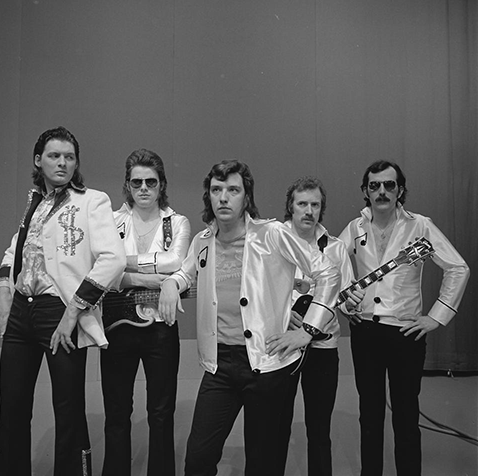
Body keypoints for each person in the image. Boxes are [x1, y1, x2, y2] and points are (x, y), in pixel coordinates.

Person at [159, 159, 341, 476]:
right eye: (216, 190)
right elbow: (185, 273)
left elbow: (328, 273)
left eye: (233, 190)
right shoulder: (203, 241)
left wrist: (308, 330)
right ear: (208, 196)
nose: (223, 197)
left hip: (266, 365)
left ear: (246, 197)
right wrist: (171, 284)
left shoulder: (272, 234)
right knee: (198, 460)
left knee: (263, 463)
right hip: (219, 366)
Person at [0, 126, 126, 476]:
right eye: (54, 156)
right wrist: (3, 289)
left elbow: (114, 259)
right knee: (12, 406)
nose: (62, 163)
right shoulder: (35, 201)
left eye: (69, 157)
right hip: (21, 310)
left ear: (76, 163)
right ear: (39, 160)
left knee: (68, 409)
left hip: (60, 310)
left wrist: (74, 311)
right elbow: (15, 250)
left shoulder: (92, 200)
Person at [338, 159, 470, 476]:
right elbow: (332, 270)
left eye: (389, 185)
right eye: (374, 186)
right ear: (366, 191)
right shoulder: (355, 228)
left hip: (406, 335)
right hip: (365, 333)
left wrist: (436, 317)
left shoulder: (420, 226)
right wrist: (346, 303)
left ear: (400, 190)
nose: (382, 191)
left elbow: (457, 267)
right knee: (369, 415)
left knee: (406, 415)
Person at [100, 149, 191, 476]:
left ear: (161, 184)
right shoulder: (111, 221)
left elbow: (175, 262)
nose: (143, 188)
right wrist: (148, 279)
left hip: (161, 328)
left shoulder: (177, 222)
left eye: (150, 182)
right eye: (136, 182)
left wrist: (122, 266)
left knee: (161, 414)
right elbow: (101, 272)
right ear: (127, 184)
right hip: (116, 326)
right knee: (116, 414)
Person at [274, 176, 364, 476]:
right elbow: (259, 292)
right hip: (282, 345)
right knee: (276, 427)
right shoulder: (272, 242)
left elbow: (346, 299)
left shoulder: (335, 248)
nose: (309, 211)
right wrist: (284, 314)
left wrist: (353, 302)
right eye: (302, 204)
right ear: (291, 206)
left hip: (323, 346)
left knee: (319, 429)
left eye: (315, 205)